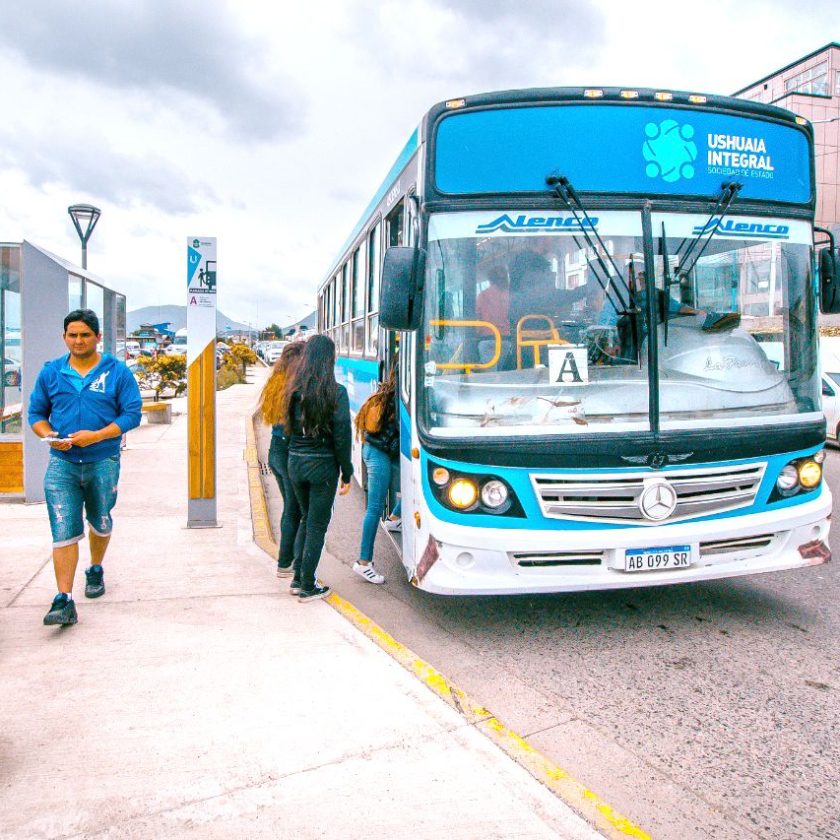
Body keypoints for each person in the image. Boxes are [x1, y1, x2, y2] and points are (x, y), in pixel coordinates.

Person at [28, 309, 142, 626]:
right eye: (72, 335)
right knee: (63, 530)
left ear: (97, 337)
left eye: (84, 335)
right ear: (64, 337)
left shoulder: (117, 372)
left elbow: (132, 414)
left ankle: (95, 567)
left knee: (101, 521)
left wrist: (97, 436)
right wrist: (48, 436)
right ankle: (63, 599)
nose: (78, 341)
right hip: (62, 464)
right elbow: (36, 413)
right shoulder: (51, 372)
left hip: (103, 461)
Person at [283, 334, 352, 601]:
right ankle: (308, 586)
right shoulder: (336, 392)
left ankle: (298, 578)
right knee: (316, 525)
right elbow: (342, 436)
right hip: (322, 467)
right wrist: (346, 472)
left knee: (304, 517)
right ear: (330, 359)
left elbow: (288, 431)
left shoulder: (293, 390)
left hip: (295, 463)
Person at [258, 342, 305, 578]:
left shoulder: (276, 381)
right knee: (293, 509)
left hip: (275, 450)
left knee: (291, 507)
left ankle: (290, 559)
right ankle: (286, 562)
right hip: (287, 451)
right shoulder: (294, 386)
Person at [353, 364, 401, 584]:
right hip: (378, 454)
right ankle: (364, 563)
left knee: (418, 485)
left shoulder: (386, 393)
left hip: (375, 450)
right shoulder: (398, 400)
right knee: (374, 509)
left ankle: (394, 518)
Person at [507, 251, 587, 367]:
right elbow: (552, 297)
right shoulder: (530, 290)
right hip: (535, 351)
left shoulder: (517, 292)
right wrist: (587, 288)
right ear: (534, 272)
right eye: (545, 274)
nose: (548, 280)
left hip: (525, 349)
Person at [476, 265, 510, 367]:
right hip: (505, 340)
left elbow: (477, 317)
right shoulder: (509, 295)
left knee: (490, 375)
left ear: (490, 279)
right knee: (500, 371)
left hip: (487, 339)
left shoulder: (483, 295)